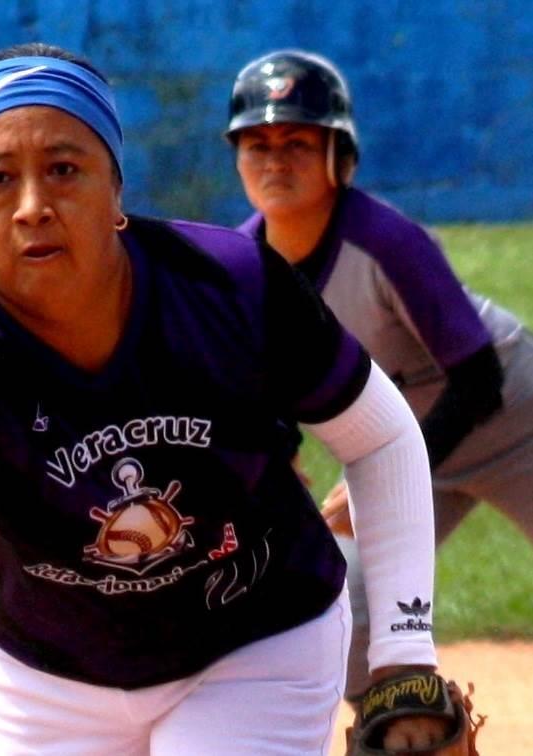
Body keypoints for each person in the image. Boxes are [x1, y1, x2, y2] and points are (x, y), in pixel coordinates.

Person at [0, 42, 451, 754]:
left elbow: (380, 434)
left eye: (62, 169)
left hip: (254, 644)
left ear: (115, 189)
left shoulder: (227, 283)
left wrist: (403, 651)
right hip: (42, 679)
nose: (31, 207)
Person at [226, 48, 533, 706]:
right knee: (342, 624)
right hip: (410, 445)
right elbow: (250, 397)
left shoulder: (383, 240)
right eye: (257, 143)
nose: (275, 160)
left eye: (297, 141)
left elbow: (478, 379)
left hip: (514, 422)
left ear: (339, 154)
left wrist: (380, 476)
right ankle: (411, 732)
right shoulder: (241, 266)